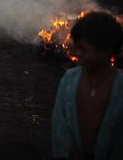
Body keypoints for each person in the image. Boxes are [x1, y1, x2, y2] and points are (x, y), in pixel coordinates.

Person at [51, 11, 123, 160]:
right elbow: (60, 127)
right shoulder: (69, 81)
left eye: (84, 50)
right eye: (76, 48)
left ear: (106, 50)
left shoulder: (120, 86)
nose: (77, 54)